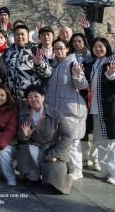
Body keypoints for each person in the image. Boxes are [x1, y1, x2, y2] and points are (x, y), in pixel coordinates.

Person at [81, 37, 115, 184]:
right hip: (97, 109)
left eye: (101, 46)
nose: (98, 49)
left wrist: (112, 76)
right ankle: (105, 169)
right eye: (95, 47)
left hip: (114, 109)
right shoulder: (94, 62)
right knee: (100, 141)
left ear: (107, 47)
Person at [43, 38, 88, 180]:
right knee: (60, 141)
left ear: (67, 49)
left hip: (71, 110)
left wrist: (77, 76)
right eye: (56, 48)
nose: (59, 51)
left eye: (61, 48)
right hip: (55, 110)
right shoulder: (54, 65)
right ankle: (67, 168)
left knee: (73, 142)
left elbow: (83, 85)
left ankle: (77, 171)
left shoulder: (73, 63)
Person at [16, 85, 73, 194]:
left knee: (56, 187)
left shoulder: (56, 113)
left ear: (43, 97)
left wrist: (55, 153)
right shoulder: (23, 115)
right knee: (24, 150)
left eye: (36, 96)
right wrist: (25, 135)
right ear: (27, 100)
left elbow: (67, 135)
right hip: (34, 147)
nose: (33, 99)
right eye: (30, 97)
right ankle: (33, 176)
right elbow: (20, 136)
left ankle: (64, 174)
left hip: (51, 148)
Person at [4, 25, 52, 100]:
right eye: (17, 34)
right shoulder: (8, 52)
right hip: (11, 98)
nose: (20, 37)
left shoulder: (36, 50)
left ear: (28, 36)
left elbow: (48, 73)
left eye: (22, 34)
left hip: (30, 98)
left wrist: (39, 64)